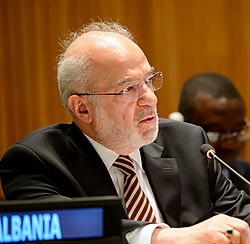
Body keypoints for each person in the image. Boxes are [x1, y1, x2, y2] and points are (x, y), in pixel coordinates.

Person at [0, 21, 250, 244]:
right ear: (83, 108)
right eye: (129, 88)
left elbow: (241, 215)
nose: (150, 98)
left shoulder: (188, 143)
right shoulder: (36, 161)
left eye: (149, 80)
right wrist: (162, 238)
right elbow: (68, 228)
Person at [177, 72, 250, 194]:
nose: (229, 143)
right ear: (182, 125)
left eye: (237, 130)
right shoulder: (166, 182)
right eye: (215, 132)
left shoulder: (246, 175)